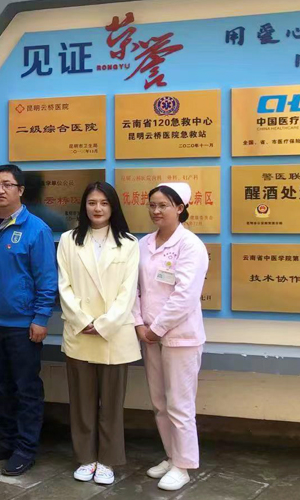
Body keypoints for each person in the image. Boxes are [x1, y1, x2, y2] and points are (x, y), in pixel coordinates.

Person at [0, 164, 57, 476]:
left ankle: (25, 449)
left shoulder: (36, 229)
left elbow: (47, 279)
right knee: (2, 387)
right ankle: (7, 441)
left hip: (23, 326)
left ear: (20, 190)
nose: (0, 190)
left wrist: (40, 317)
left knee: (26, 389)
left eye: (7, 184)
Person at [57, 182, 140, 485]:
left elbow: (128, 292)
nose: (98, 208)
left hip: (114, 334)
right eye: (92, 202)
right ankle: (86, 457)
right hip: (79, 332)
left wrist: (104, 324)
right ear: (84, 206)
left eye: (104, 203)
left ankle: (107, 459)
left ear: (113, 206)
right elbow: (63, 285)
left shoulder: (129, 243)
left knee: (112, 404)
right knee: (82, 402)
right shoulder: (68, 240)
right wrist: (83, 320)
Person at [134, 182, 208, 491]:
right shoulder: (144, 243)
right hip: (149, 335)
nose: (156, 210)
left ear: (180, 208)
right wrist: (139, 324)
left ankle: (184, 465)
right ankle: (171, 455)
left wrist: (156, 328)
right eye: (152, 204)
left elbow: (185, 295)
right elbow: (135, 288)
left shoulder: (191, 245)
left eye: (163, 205)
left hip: (180, 338)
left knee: (179, 404)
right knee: (159, 402)